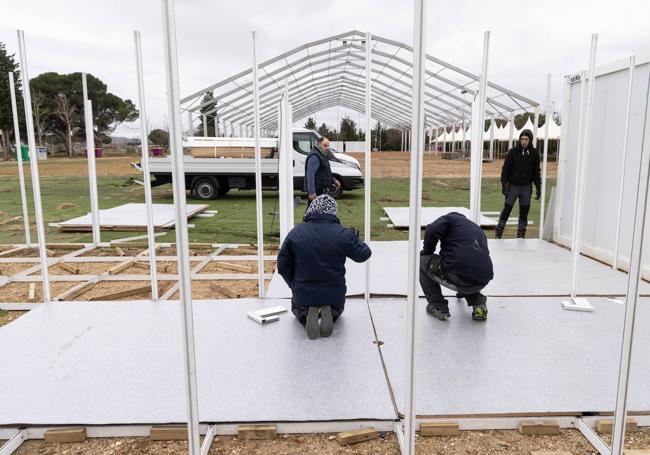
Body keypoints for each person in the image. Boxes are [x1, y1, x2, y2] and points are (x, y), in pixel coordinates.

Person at [277, 195, 371, 339]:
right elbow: (364, 254)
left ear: (311, 210)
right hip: (335, 297)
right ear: (333, 212)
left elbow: (282, 265)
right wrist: (355, 238)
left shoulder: (296, 233)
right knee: (335, 306)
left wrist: (294, 284)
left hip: (302, 295)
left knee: (299, 308)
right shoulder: (343, 234)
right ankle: (331, 312)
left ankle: (305, 313)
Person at [420, 212, 494, 321]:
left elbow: (432, 229)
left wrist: (428, 251)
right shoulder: (475, 228)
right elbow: (470, 257)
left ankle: (438, 306)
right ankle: (479, 304)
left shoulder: (449, 219)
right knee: (465, 271)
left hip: (458, 275)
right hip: (482, 280)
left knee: (421, 261)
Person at [496, 128, 541, 239]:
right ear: (519, 140)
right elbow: (505, 169)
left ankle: (521, 235)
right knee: (507, 210)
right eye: (522, 139)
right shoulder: (512, 152)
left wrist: (538, 187)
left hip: (526, 188)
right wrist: (504, 184)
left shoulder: (534, 153)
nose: (524, 141)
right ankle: (498, 232)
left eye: (526, 139)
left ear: (530, 140)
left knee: (524, 212)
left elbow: (536, 172)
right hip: (513, 187)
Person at [304, 137, 339, 203]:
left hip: (321, 189)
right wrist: (312, 192)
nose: (327, 148)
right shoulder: (315, 156)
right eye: (325, 145)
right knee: (313, 212)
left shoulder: (321, 154)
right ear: (318, 144)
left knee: (317, 212)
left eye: (328, 146)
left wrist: (334, 180)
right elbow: (310, 174)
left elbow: (323, 172)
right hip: (317, 190)